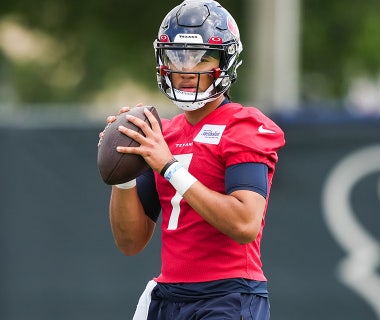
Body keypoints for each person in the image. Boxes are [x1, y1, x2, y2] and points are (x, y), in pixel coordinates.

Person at [100, 1, 285, 319]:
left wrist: (169, 167)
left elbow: (245, 223)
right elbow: (129, 241)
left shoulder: (243, 125)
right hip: (168, 298)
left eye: (202, 57)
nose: (186, 68)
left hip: (227, 296)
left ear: (225, 61)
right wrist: (124, 169)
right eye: (177, 56)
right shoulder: (160, 134)